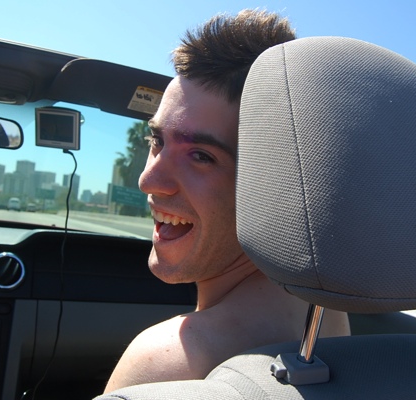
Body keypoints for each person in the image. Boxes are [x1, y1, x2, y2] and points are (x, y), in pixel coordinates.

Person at [103, 9, 350, 393]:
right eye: (157, 141)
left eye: (201, 156)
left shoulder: (168, 363)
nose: (148, 180)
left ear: (276, 182)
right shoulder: (329, 315)